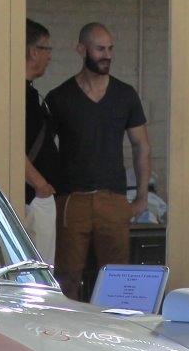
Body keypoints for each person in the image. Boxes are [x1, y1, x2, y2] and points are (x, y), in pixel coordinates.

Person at [44, 22, 151, 300]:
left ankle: (113, 326)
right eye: (100, 49)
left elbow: (141, 145)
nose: (108, 55)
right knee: (67, 276)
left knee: (117, 277)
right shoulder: (60, 97)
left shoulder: (125, 95)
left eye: (110, 48)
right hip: (72, 200)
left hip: (113, 198)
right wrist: (47, 192)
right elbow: (41, 148)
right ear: (82, 50)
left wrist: (142, 197)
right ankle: (65, 324)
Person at [22, 20, 61, 262]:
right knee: (38, 268)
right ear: (34, 51)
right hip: (32, 198)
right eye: (47, 49)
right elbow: (12, 148)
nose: (50, 57)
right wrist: (41, 186)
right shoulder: (19, 96)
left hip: (36, 196)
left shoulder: (30, 94)